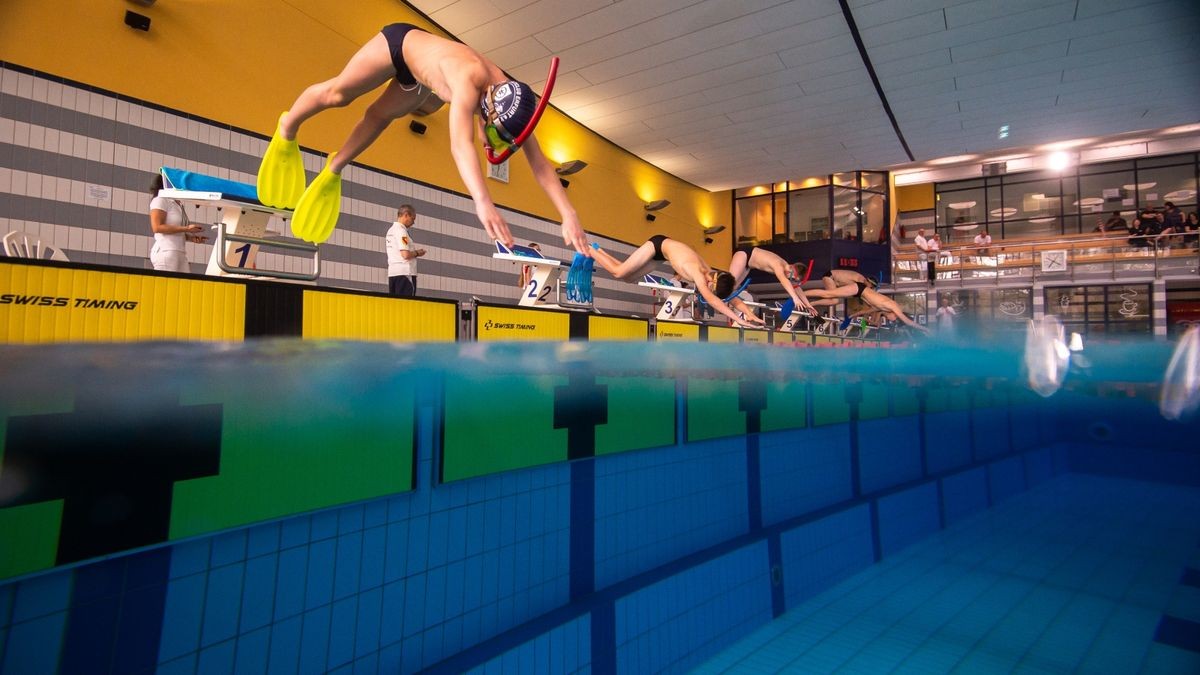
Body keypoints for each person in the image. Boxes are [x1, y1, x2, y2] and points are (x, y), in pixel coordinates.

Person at [257, 23, 588, 255]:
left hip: (417, 79)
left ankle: (334, 168)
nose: (494, 142)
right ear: (486, 110)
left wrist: (569, 213)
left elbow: (540, 164)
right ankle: (288, 128)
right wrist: (483, 201)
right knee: (339, 94)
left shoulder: (514, 102)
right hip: (398, 45)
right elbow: (461, 145)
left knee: (380, 117)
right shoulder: (469, 81)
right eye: (493, 134)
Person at [588, 235, 756, 327]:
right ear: (712, 284)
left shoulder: (711, 273)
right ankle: (586, 248)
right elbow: (714, 300)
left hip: (663, 254)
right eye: (710, 290)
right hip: (657, 245)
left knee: (629, 278)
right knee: (618, 273)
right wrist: (739, 320)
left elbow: (731, 295)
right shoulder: (698, 272)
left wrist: (748, 313)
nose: (707, 291)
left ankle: (599, 250)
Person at [804, 278, 930, 334]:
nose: (890, 320)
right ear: (895, 315)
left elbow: (864, 311)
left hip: (859, 292)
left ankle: (808, 302)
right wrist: (925, 329)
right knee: (829, 294)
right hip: (860, 289)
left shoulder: (882, 309)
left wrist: (851, 317)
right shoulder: (893, 306)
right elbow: (908, 322)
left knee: (833, 299)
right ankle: (798, 295)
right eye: (893, 320)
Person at [727, 245, 816, 316]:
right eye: (792, 279)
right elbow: (784, 281)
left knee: (731, 290)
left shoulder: (787, 269)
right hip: (744, 255)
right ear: (791, 271)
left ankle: (729, 309)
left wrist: (808, 304)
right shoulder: (778, 265)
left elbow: (796, 287)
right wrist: (795, 299)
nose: (791, 281)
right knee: (727, 285)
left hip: (749, 264)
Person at [148, 174, 205, 272]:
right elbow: (157, 227)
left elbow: (175, 230)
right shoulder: (160, 200)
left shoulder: (177, 203)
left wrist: (191, 238)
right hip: (165, 251)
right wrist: (187, 229)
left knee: (185, 285)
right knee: (167, 285)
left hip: (180, 252)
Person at [386, 204, 425, 296]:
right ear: (406, 215)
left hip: (393, 273)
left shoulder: (390, 231)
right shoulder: (401, 231)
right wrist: (417, 253)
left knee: (395, 305)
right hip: (405, 273)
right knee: (407, 305)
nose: (413, 222)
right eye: (413, 218)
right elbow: (405, 255)